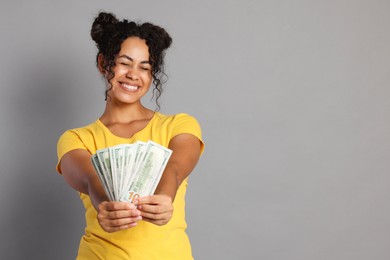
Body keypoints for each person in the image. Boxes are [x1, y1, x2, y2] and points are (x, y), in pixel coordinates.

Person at [56, 11, 204, 260]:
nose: (134, 74)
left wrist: (165, 197)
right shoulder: (77, 138)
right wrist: (105, 204)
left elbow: (176, 167)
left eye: (145, 67)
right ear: (104, 64)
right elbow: (90, 179)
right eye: (125, 63)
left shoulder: (179, 125)